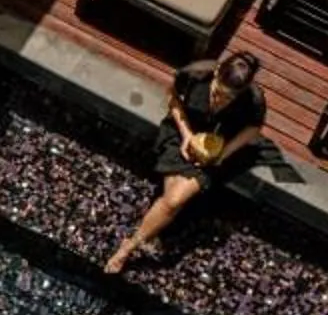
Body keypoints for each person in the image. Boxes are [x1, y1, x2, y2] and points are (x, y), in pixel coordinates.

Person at [106, 52, 267, 275]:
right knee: (173, 202)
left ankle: (128, 247)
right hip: (181, 131)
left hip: (212, 149)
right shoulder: (196, 73)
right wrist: (187, 136)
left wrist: (223, 154)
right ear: (217, 72)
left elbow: (253, 129)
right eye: (218, 92)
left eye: (228, 99)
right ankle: (149, 235)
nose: (220, 100)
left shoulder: (253, 99)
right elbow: (173, 98)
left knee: (173, 199)